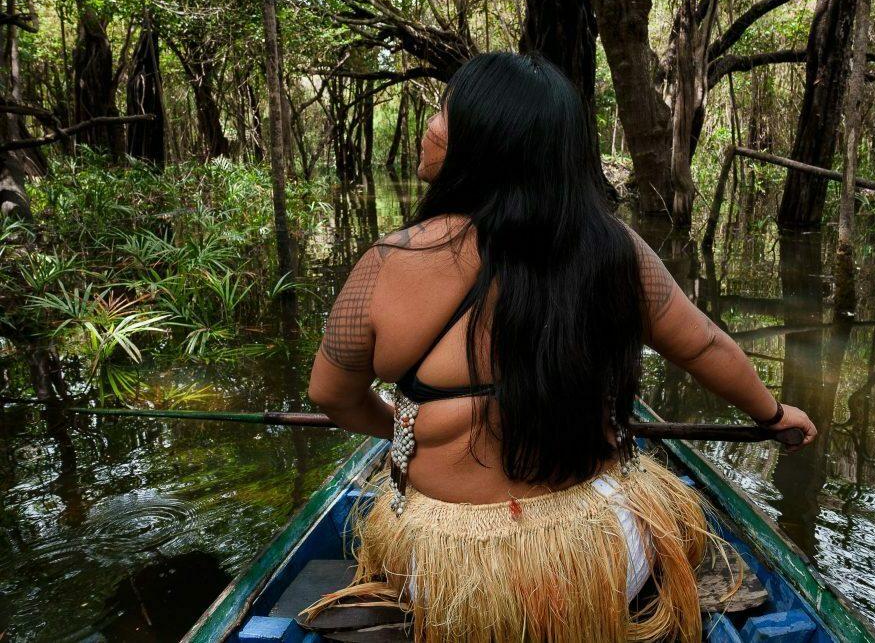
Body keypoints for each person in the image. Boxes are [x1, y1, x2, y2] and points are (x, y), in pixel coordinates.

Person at [304, 52, 817, 642]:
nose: (430, 125)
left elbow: (331, 396)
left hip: (452, 578)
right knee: (648, 509)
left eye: (442, 111)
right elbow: (704, 346)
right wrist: (774, 414)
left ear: (482, 138)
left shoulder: (389, 263)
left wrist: (406, 425)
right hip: (602, 561)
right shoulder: (615, 249)